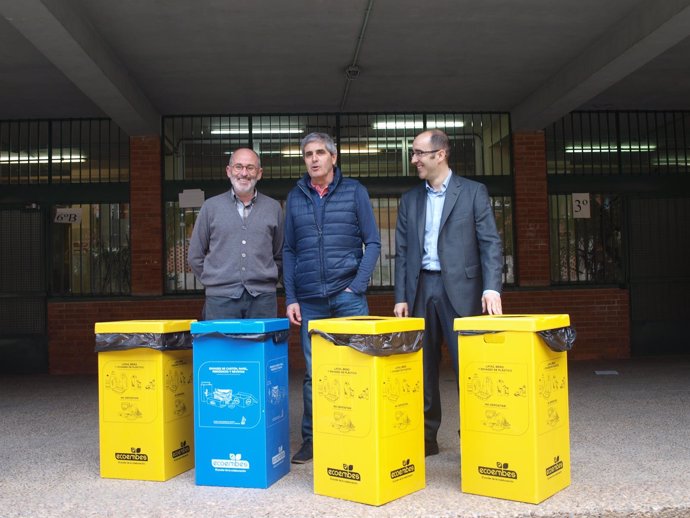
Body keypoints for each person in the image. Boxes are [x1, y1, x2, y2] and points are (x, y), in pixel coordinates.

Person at [393, 129, 503, 457]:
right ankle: (426, 438)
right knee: (422, 368)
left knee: (468, 368)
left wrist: (491, 288)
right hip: (420, 289)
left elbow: (490, 243)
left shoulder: (473, 192)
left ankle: (475, 436)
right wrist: (400, 296)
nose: (414, 160)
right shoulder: (409, 200)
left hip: (463, 290)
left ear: (440, 154)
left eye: (418, 153)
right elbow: (401, 251)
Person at [284, 132, 381, 464]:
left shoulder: (355, 191)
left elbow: (374, 242)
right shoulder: (295, 197)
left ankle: (357, 433)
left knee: (355, 368)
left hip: (347, 298)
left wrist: (356, 285)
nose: (314, 159)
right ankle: (312, 439)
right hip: (310, 301)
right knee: (315, 374)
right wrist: (291, 297)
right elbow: (290, 250)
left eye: (320, 153)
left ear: (333, 157)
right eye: (308, 154)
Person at [188, 148, 284, 319]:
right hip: (219, 301)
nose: (244, 173)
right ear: (229, 171)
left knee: (261, 346)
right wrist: (215, 281)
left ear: (259, 173)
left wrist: (266, 278)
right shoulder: (210, 207)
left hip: (263, 301)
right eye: (238, 167)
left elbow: (280, 254)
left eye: (250, 168)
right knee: (222, 346)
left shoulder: (273, 208)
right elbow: (195, 255)